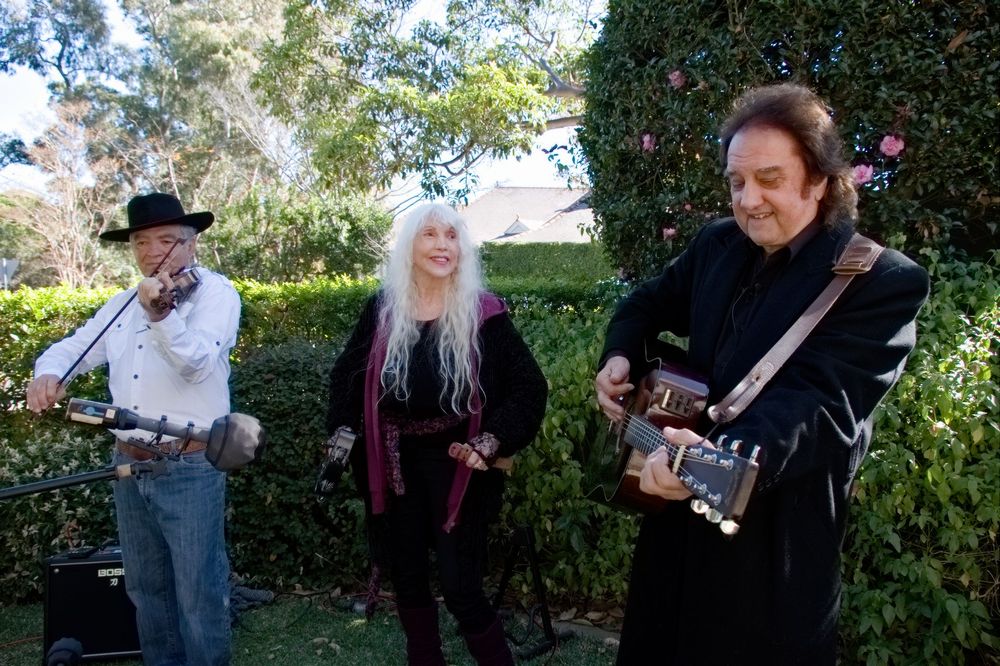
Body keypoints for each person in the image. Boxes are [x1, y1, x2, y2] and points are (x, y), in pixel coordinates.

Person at [594, 84, 930, 664]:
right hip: (675, 524)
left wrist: (709, 461)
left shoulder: (880, 282)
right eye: (736, 182)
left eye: (769, 179)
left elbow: (819, 404)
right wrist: (619, 355)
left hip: (774, 547)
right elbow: (646, 303)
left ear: (820, 180)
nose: (748, 200)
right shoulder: (718, 245)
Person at [326, 203, 547, 666]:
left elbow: (529, 387)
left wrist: (490, 441)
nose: (442, 245)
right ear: (409, 248)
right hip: (392, 462)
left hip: (458, 461)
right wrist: (343, 431)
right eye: (429, 235)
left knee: (460, 583)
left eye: (451, 236)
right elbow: (346, 375)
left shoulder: (484, 313)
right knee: (407, 576)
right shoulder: (383, 310)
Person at [27, 192, 241, 666]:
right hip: (129, 464)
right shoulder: (122, 303)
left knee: (199, 594)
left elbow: (197, 363)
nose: (151, 253)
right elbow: (76, 346)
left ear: (191, 245)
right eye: (141, 242)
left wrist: (161, 315)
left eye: (165, 240)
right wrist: (48, 372)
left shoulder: (216, 294)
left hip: (188, 465)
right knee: (146, 589)